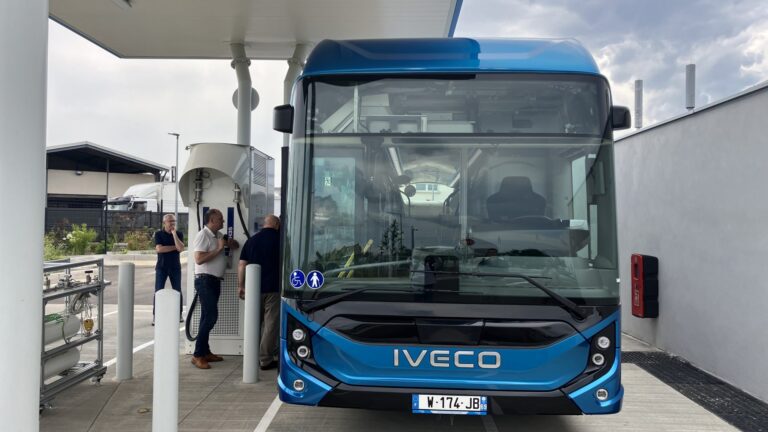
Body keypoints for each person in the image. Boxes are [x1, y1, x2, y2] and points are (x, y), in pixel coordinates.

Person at [191, 208, 239, 369]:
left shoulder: (218, 235)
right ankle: (198, 355)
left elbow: (235, 245)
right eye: (220, 219)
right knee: (211, 317)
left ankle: (205, 351)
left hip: (214, 281)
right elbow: (198, 259)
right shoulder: (202, 235)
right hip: (204, 280)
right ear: (212, 220)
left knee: (206, 317)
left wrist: (229, 243)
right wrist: (218, 248)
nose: (223, 221)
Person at [238, 214, 281, 370]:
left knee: (253, 323)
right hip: (274, 289)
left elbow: (242, 265)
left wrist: (241, 285)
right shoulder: (281, 240)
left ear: (264, 224)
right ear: (277, 225)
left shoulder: (252, 241)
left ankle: (251, 357)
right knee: (270, 325)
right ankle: (265, 359)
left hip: (253, 288)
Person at [153, 214, 184, 326]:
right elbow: (159, 249)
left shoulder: (179, 234)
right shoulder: (159, 234)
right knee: (158, 291)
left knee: (177, 290)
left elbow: (181, 248)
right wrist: (174, 247)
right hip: (162, 267)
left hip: (175, 267)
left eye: (174, 221)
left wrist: (174, 234)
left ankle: (179, 314)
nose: (172, 223)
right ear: (164, 223)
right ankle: (156, 315)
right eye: (170, 221)